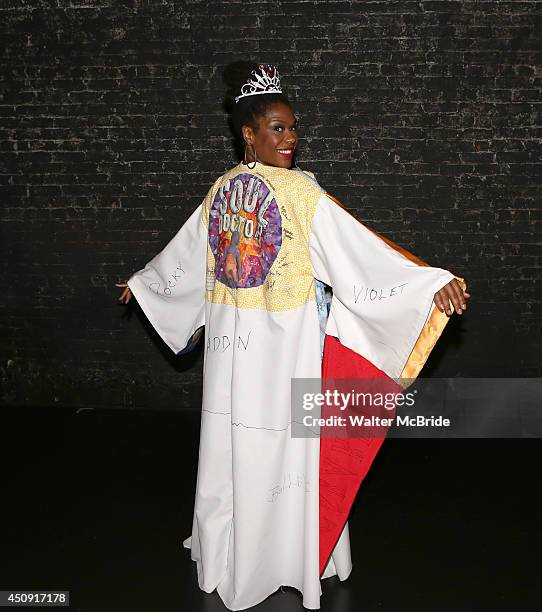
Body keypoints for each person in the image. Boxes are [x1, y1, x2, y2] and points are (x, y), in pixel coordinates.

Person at [116, 61, 470, 610]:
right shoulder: (269, 193)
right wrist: (145, 284)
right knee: (270, 444)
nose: (290, 138)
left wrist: (432, 284)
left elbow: (354, 248)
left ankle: (245, 549)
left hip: (252, 344)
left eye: (293, 127)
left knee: (258, 443)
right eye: (277, 128)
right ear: (248, 134)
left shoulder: (238, 190)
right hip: (268, 344)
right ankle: (282, 551)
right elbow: (194, 250)